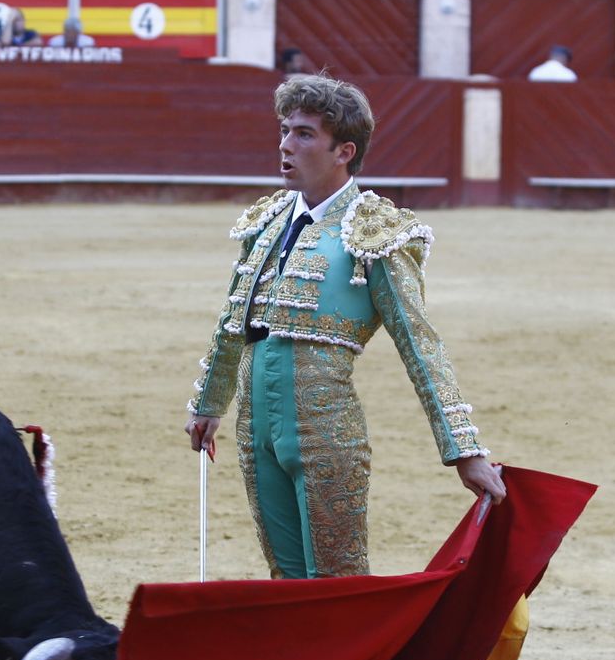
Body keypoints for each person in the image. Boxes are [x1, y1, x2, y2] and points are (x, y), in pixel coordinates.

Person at [184, 75, 506, 581]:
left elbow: (419, 344)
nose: (286, 145)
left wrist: (464, 451)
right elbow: (233, 322)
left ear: (344, 151)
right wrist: (209, 403)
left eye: (305, 134)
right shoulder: (266, 221)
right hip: (255, 426)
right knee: (285, 576)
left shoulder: (375, 231)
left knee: (338, 578)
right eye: (286, 130)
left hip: (325, 429)